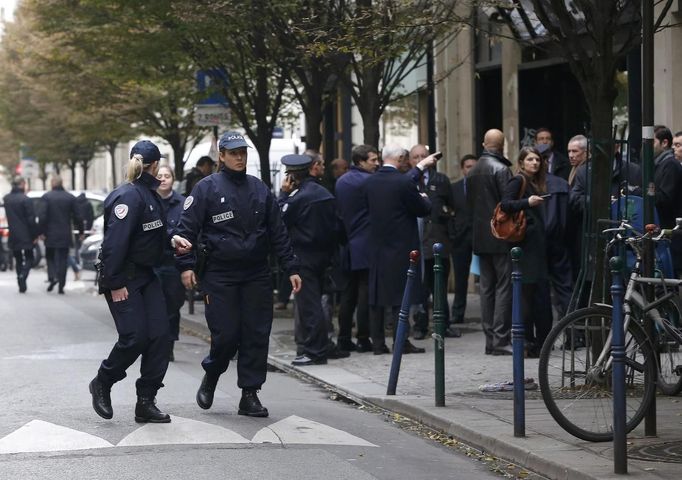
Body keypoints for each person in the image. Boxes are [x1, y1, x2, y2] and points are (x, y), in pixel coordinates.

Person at [173, 131, 301, 417]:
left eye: (243, 152)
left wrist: (291, 267)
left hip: (256, 273)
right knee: (226, 335)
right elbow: (185, 231)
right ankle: (213, 374)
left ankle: (249, 394)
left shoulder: (259, 189)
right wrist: (186, 266)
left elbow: (278, 232)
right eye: (233, 153)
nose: (239, 157)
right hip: (219, 274)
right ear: (222, 156)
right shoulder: (206, 188)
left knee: (256, 334)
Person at [89, 140, 172, 424]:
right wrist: (114, 282)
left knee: (160, 336)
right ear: (155, 165)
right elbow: (115, 244)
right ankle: (103, 381)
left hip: (146, 276)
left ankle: (146, 401)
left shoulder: (149, 195)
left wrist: (174, 241)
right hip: (123, 277)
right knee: (135, 337)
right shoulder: (128, 197)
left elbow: (151, 237)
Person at [363, 144, 436, 355]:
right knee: (399, 297)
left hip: (377, 245)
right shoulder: (403, 182)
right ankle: (400, 341)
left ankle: (377, 343)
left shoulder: (370, 182)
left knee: (376, 296)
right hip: (402, 246)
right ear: (401, 158)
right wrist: (425, 199)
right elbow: (422, 209)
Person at [279, 154, 345, 366]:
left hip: (304, 257)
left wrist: (283, 194)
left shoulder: (298, 198)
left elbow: (279, 221)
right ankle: (318, 347)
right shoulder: (324, 193)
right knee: (318, 303)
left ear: (292, 176)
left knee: (309, 306)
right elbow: (338, 226)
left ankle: (315, 351)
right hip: (324, 256)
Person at [500, 147, 551, 357]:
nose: (535, 163)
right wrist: (527, 202)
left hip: (535, 245)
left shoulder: (535, 182)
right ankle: (528, 341)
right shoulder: (518, 180)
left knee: (536, 293)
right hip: (525, 245)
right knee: (528, 293)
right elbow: (505, 204)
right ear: (521, 162)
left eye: (537, 159)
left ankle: (539, 342)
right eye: (530, 159)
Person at [467, 129, 513, 355]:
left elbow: (469, 205)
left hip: (480, 236)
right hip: (500, 235)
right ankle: (501, 339)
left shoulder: (473, 170)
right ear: (502, 145)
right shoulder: (502, 169)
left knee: (486, 289)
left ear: (485, 144)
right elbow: (508, 205)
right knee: (503, 287)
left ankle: (490, 340)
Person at [408, 144, 460, 339]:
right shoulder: (409, 181)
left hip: (439, 240)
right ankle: (420, 326)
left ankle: (443, 325)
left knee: (440, 287)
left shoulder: (441, 180)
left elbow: (451, 208)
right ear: (411, 160)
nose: (420, 159)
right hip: (418, 243)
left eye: (423, 156)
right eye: (416, 157)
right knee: (420, 288)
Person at [335, 145, 379, 353]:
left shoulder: (342, 181)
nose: (377, 163)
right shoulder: (370, 182)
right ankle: (363, 337)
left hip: (348, 244)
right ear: (360, 161)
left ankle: (344, 337)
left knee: (348, 294)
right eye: (373, 160)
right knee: (364, 294)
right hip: (367, 243)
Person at [155, 165, 185, 362]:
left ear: (173, 179)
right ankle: (156, 345)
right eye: (160, 176)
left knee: (172, 306)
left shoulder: (182, 203)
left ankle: (169, 344)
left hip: (174, 262)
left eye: (167, 176)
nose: (164, 179)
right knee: (155, 306)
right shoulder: (148, 201)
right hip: (153, 262)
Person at [41, 175, 82, 294]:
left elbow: (43, 216)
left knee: (50, 257)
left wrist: (41, 232)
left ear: (53, 183)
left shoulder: (46, 197)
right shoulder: (70, 197)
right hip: (65, 233)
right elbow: (78, 216)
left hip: (50, 234)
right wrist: (81, 231)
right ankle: (61, 285)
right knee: (63, 259)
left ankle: (53, 276)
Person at [449, 154, 478, 325]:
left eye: (474, 166)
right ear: (462, 169)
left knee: (490, 277)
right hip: (460, 239)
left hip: (481, 237)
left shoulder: (484, 187)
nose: (471, 169)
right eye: (468, 166)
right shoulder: (454, 188)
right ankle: (458, 313)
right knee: (460, 278)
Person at [3, 176, 38, 293]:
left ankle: (20, 280)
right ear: (22, 184)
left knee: (18, 258)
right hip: (26, 233)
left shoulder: (7, 199)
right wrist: (35, 235)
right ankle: (23, 275)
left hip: (13, 233)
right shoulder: (26, 200)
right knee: (29, 257)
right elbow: (31, 219)